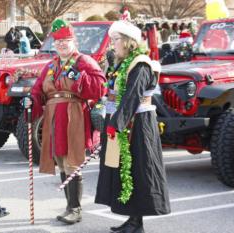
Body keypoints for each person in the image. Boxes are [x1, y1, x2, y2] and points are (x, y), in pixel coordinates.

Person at [23, 19, 107, 224]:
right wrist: (30, 100)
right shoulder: (51, 65)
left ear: (73, 42)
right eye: (58, 41)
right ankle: (70, 206)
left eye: (66, 41)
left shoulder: (84, 61)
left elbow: (100, 87)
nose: (61, 45)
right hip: (53, 118)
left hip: (74, 116)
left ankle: (75, 209)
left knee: (72, 163)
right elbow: (38, 90)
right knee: (61, 161)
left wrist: (78, 77)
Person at [95, 20, 171, 233]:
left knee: (137, 170)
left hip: (137, 125)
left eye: (116, 40)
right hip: (122, 122)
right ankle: (132, 218)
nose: (113, 44)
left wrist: (116, 124)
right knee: (122, 170)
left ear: (129, 42)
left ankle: (137, 223)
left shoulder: (140, 64)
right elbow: (112, 93)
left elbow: (132, 97)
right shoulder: (121, 63)